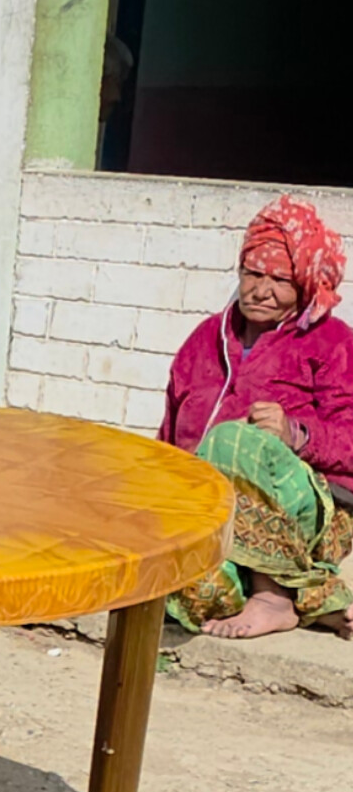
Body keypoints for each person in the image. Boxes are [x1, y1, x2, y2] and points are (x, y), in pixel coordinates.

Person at [158, 194, 353, 638]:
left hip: (315, 513)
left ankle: (273, 596)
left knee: (234, 439)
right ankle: (314, 598)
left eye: (280, 279)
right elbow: (169, 433)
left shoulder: (334, 343)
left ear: (305, 284)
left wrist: (297, 434)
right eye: (253, 273)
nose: (261, 290)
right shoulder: (205, 339)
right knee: (183, 580)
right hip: (216, 508)